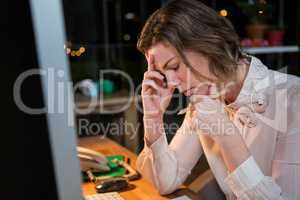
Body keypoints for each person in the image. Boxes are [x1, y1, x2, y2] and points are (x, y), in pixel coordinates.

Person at [135, 0, 300, 200]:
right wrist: (153, 118)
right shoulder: (205, 98)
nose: (171, 82)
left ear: (209, 43)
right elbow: (166, 182)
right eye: (163, 73)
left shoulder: (293, 98)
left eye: (175, 66)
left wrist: (226, 133)